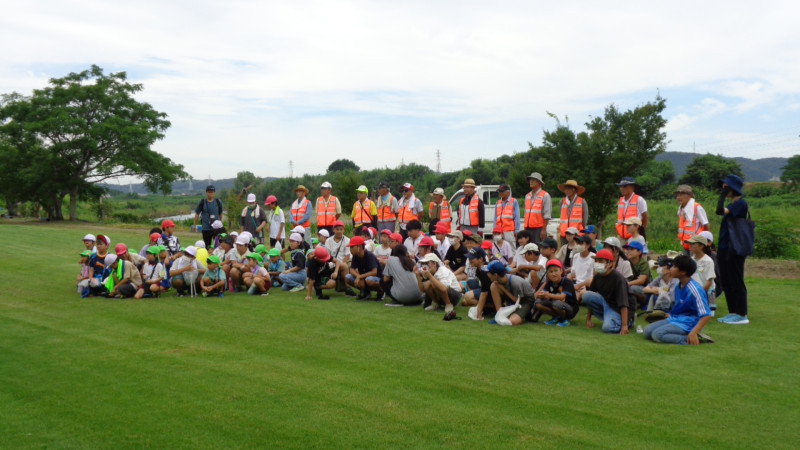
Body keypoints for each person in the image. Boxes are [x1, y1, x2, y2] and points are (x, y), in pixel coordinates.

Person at [644, 255, 714, 345]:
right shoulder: (679, 285)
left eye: (674, 266)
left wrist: (694, 332)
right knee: (647, 331)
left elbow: (706, 315)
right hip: (676, 319)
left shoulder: (695, 290)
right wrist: (671, 314)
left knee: (657, 335)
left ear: (683, 272)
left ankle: (695, 338)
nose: (671, 269)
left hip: (689, 323)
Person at [715, 174, 751, 325]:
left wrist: (723, 194)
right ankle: (733, 312)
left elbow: (719, 211)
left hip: (735, 247)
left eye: (727, 187)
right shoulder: (732, 204)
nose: (725, 189)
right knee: (726, 280)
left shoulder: (740, 204)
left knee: (736, 279)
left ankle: (741, 314)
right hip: (725, 246)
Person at [583, 249, 632, 334]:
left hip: (618, 309)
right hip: (606, 304)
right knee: (586, 295)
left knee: (607, 329)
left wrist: (624, 326)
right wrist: (588, 319)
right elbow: (591, 296)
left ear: (610, 264)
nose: (597, 263)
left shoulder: (618, 278)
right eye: (596, 261)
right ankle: (610, 319)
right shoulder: (597, 277)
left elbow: (624, 304)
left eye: (601, 261)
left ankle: (628, 322)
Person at [486, 261, 536, 326]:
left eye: (488, 273)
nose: (487, 274)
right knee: (493, 286)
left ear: (496, 275)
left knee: (512, 321)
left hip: (525, 301)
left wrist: (503, 289)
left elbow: (516, 301)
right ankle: (498, 314)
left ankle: (524, 316)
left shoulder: (515, 282)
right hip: (513, 299)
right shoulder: (499, 281)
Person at [534, 259, 578, 327]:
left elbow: (562, 297)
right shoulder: (549, 282)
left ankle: (566, 319)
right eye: (551, 272)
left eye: (556, 271)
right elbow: (544, 294)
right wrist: (541, 295)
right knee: (538, 303)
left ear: (561, 271)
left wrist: (547, 295)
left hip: (570, 308)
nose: (553, 274)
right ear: (548, 274)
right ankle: (557, 317)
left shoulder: (567, 282)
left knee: (556, 303)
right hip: (556, 304)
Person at [686, 234, 717, 314]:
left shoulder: (708, 261)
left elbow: (710, 282)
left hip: (704, 292)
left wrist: (698, 293)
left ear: (701, 246)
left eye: (692, 244)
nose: (690, 247)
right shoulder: (691, 260)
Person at [676, 184, 710, 252]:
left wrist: (707, 242)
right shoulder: (681, 209)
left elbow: (706, 224)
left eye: (681, 195)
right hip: (685, 244)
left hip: (696, 245)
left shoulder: (697, 207)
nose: (678, 197)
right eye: (677, 195)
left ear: (689, 196)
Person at [642, 256, 677, 323]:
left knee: (655, 296)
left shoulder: (674, 281)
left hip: (672, 305)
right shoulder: (660, 278)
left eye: (661, 267)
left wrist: (660, 290)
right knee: (649, 294)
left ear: (669, 270)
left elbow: (672, 298)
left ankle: (665, 314)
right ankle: (655, 313)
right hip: (663, 301)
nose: (658, 268)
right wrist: (654, 290)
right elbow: (645, 289)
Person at [462, 248, 494, 320]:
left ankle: (491, 307)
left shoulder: (485, 272)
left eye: (472, 258)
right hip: (488, 292)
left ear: (480, 259)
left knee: (468, 296)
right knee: (470, 285)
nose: (469, 260)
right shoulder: (478, 270)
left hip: (493, 294)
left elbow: (484, 293)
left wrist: (478, 314)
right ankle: (487, 307)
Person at [615, 177, 649, 243]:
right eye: (620, 186)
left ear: (632, 187)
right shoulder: (620, 201)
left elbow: (645, 217)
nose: (622, 188)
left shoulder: (639, 200)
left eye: (625, 186)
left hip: (633, 236)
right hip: (621, 236)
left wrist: (641, 231)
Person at [523, 172, 551, 244]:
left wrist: (544, 230)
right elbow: (526, 214)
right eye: (530, 180)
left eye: (533, 180)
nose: (531, 181)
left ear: (539, 182)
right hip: (528, 228)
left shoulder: (545, 195)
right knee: (528, 250)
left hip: (539, 229)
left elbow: (547, 215)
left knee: (538, 250)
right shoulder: (527, 196)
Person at [623, 241, 651, 310]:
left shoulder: (643, 263)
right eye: (628, 249)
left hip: (645, 289)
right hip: (632, 286)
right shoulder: (626, 262)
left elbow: (642, 280)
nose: (628, 251)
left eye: (631, 249)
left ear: (639, 252)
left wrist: (627, 284)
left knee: (632, 288)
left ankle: (644, 303)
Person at [568, 235, 595, 302]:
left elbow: (593, 278)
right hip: (576, 285)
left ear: (588, 246)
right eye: (577, 243)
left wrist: (579, 285)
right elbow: (573, 273)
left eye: (581, 243)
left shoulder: (594, 257)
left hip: (588, 286)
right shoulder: (576, 256)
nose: (578, 245)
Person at [494, 184, 520, 248]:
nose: (500, 193)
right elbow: (495, 218)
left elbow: (517, 217)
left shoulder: (514, 201)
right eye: (499, 192)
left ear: (508, 192)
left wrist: (516, 230)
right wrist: (494, 230)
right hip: (498, 231)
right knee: (499, 249)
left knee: (511, 249)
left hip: (509, 231)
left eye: (502, 191)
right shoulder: (498, 203)